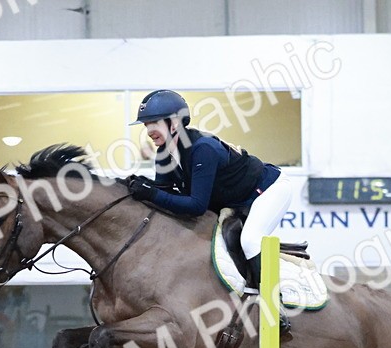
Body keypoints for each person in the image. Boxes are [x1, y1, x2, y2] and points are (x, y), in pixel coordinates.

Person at [126, 90, 294, 332]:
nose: (148, 130)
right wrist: (139, 187)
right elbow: (163, 195)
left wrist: (151, 193)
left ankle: (274, 307)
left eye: (153, 123)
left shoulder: (202, 149)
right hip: (232, 200)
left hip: (268, 190)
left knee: (250, 239)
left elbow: (196, 206)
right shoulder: (164, 154)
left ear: (174, 122)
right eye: (146, 124)